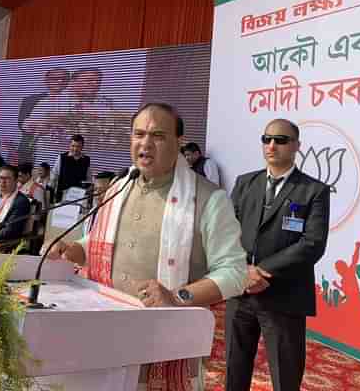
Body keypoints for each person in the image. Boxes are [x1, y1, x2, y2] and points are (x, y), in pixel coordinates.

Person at [47, 103, 247, 391]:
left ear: (179, 142)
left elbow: (235, 272)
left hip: (158, 344)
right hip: (100, 333)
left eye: (158, 135)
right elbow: (98, 244)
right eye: (138, 134)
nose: (145, 144)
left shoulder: (209, 199)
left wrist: (178, 296)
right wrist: (73, 250)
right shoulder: (117, 189)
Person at [225, 119, 330, 391]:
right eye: (267, 139)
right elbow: (227, 232)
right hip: (240, 293)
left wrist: (261, 271)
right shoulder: (245, 183)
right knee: (235, 369)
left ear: (296, 146)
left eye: (281, 140)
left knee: (286, 375)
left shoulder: (314, 190)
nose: (272, 145)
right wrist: (243, 271)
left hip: (284, 296)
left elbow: (312, 243)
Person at [50, 134, 91, 201]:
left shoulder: (86, 160)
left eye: (78, 146)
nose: (75, 149)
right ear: (69, 145)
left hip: (78, 197)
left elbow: (88, 179)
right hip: (62, 196)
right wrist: (51, 194)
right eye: (73, 146)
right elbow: (54, 176)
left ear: (82, 147)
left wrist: (87, 192)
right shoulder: (62, 158)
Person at [82, 170, 115, 237]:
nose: (97, 194)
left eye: (102, 190)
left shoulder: (116, 214)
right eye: (96, 189)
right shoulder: (92, 212)